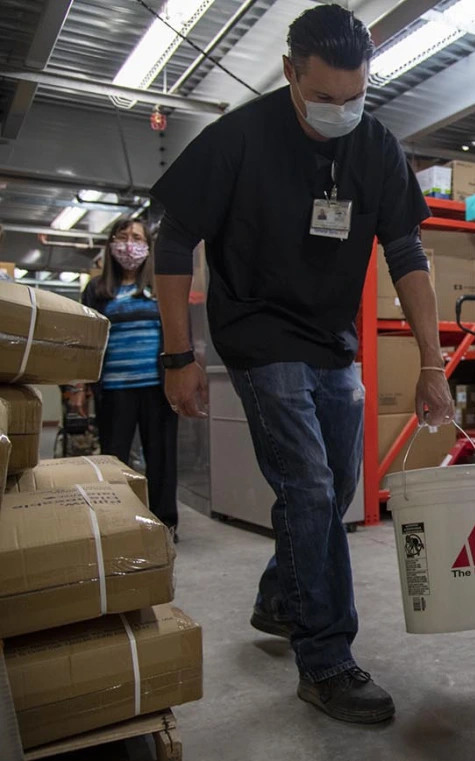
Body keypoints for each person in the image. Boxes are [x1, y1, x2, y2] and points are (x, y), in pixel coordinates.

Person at [150, 4, 452, 724]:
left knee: (337, 486)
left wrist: (434, 363)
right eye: (325, 97)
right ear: (290, 73)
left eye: (356, 97)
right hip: (257, 334)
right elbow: (173, 240)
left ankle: (281, 596)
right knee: (313, 489)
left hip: (329, 340)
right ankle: (325, 659)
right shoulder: (239, 140)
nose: (342, 111)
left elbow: (406, 253)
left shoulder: (375, 148)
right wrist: (177, 353)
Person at [79, 219, 179, 539]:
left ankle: (165, 522)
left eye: (136, 237)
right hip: (114, 387)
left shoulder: (160, 285)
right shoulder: (96, 291)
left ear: (148, 246)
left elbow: (175, 332)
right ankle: (116, 520)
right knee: (113, 458)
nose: (129, 244)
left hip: (156, 386)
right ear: (110, 245)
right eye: (122, 237)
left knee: (161, 458)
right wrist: (80, 387)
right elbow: (88, 342)